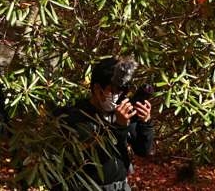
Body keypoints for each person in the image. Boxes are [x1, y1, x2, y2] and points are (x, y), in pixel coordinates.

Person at [58, 57, 154, 191]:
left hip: (121, 186)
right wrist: (119, 127)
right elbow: (90, 160)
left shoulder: (120, 113)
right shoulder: (77, 118)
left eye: (123, 91)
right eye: (114, 91)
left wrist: (145, 122)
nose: (119, 97)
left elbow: (143, 151)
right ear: (97, 89)